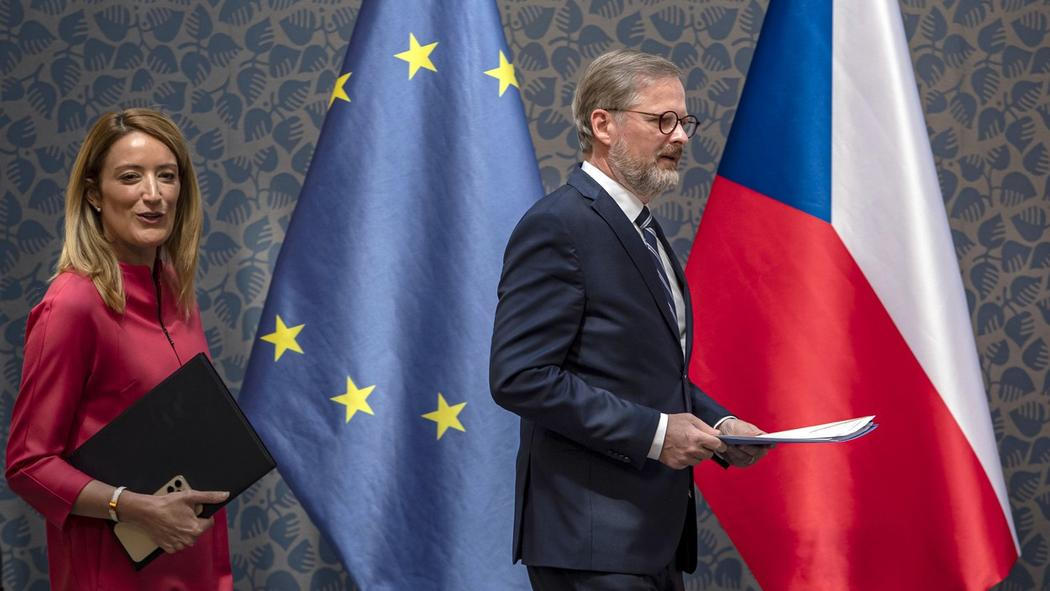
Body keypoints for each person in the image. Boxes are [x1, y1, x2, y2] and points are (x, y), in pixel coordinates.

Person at [490, 49, 771, 590]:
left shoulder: (641, 227)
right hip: (591, 539)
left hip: (651, 539)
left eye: (683, 121)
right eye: (662, 120)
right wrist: (657, 433)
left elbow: (639, 371)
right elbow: (520, 376)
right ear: (603, 125)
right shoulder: (559, 225)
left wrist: (720, 425)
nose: (680, 136)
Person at [5, 109, 233, 590]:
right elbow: (28, 465)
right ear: (94, 194)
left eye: (166, 176)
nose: (153, 194)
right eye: (131, 177)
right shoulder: (73, 303)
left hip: (196, 567)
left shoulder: (174, 287)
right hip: (112, 575)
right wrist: (130, 507)